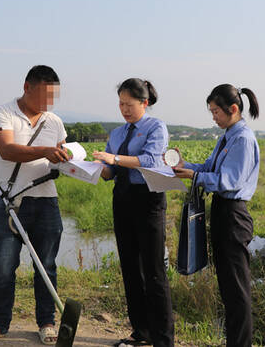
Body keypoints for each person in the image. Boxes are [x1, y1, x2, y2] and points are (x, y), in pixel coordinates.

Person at [0, 65, 70, 345]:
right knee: (3, 266)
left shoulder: (55, 122)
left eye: (52, 97)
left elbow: (60, 155)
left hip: (47, 202)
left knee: (46, 266)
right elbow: (7, 150)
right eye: (43, 96)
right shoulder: (2, 113)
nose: (48, 104)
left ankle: (47, 323)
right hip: (10, 203)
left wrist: (72, 161)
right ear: (27, 87)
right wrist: (46, 151)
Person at [173, 84, 260, 347]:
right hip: (222, 213)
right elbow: (208, 168)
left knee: (236, 289)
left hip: (234, 215)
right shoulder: (227, 136)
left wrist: (195, 176)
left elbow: (229, 180)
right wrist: (183, 166)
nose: (213, 117)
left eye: (215, 112)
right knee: (228, 287)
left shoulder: (242, 139)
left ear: (232, 109)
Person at [92, 78, 174, 347]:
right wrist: (86, 166)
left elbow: (151, 160)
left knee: (153, 272)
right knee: (129, 268)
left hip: (148, 200)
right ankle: (141, 333)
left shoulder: (155, 127)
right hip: (123, 200)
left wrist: (114, 159)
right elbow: (109, 172)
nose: (124, 109)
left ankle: (163, 339)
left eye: (129, 104)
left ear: (144, 103)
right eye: (120, 104)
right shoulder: (117, 133)